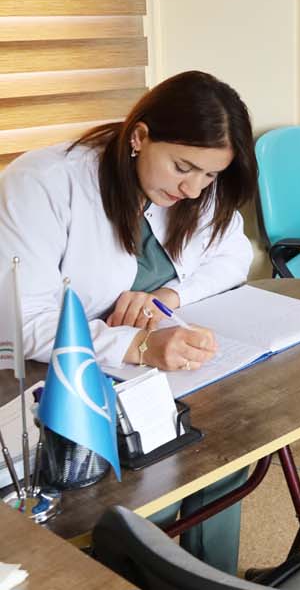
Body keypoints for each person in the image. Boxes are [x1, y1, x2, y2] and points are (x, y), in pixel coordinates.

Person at [0, 70, 257, 574]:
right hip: (45, 373)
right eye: (183, 167)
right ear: (139, 136)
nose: (193, 188)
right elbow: (24, 321)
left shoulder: (191, 188)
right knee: (149, 492)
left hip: (142, 366)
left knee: (227, 456)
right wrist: (138, 345)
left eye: (210, 176)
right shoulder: (44, 183)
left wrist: (167, 296)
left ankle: (210, 579)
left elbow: (233, 256)